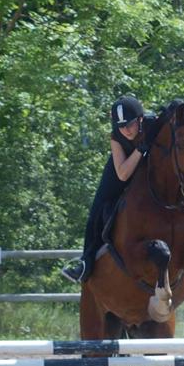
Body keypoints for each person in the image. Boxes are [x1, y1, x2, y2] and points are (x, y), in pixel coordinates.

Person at [61, 95, 155, 283]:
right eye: (121, 126)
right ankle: (85, 263)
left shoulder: (153, 125)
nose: (126, 130)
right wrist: (140, 150)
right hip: (121, 170)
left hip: (148, 173)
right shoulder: (117, 135)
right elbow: (122, 174)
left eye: (130, 124)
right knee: (96, 210)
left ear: (141, 119)